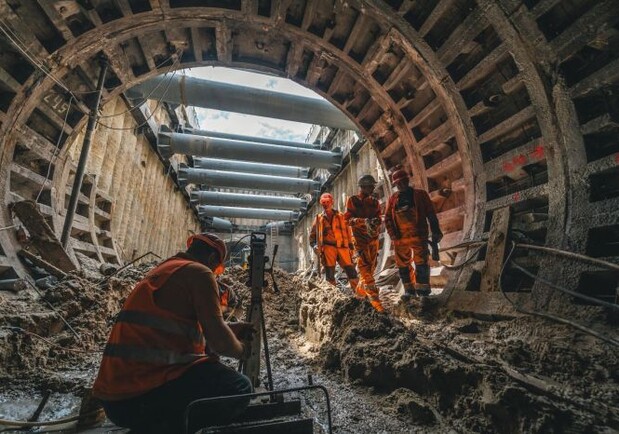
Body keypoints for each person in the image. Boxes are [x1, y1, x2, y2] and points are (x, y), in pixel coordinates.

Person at [92, 233, 254, 433]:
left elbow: (175, 329)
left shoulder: (163, 271)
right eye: (217, 268)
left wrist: (230, 329)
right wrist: (243, 351)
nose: (215, 273)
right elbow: (220, 343)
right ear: (212, 259)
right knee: (239, 389)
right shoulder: (200, 273)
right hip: (140, 397)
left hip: (116, 397)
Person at [384, 168, 442, 300]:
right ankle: (409, 291)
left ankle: (423, 292)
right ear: (395, 185)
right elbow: (387, 219)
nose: (402, 185)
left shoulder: (420, 195)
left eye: (404, 181)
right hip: (400, 238)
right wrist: (393, 236)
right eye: (399, 183)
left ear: (407, 180)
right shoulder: (393, 199)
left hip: (418, 235)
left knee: (421, 262)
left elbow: (431, 214)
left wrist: (436, 231)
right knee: (402, 264)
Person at [344, 175, 385, 312]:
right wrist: (363, 222)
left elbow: (379, 216)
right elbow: (347, 220)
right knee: (365, 270)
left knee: (370, 270)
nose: (373, 188)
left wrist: (376, 222)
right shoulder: (353, 201)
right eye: (371, 186)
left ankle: (359, 296)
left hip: (373, 240)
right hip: (360, 241)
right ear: (364, 187)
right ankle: (376, 304)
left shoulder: (374, 202)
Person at [309, 192, 359, 292]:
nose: (325, 204)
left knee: (351, 271)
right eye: (323, 202)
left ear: (332, 202)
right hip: (328, 249)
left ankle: (359, 294)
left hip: (343, 247)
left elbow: (348, 233)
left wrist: (351, 247)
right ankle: (333, 295)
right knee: (330, 273)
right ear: (321, 203)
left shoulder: (341, 216)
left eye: (327, 202)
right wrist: (314, 245)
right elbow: (312, 236)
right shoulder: (318, 219)